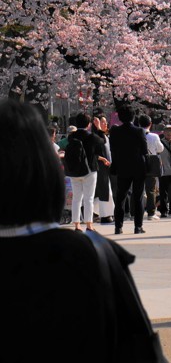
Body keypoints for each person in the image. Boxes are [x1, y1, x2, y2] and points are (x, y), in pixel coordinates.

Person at [0, 99, 161, 355]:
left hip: (84, 177)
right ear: (45, 166)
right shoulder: (94, 256)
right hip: (101, 175)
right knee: (91, 199)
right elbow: (140, 349)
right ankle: (95, 222)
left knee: (86, 200)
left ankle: (91, 221)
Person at [64, 112, 109, 232]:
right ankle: (89, 224)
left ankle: (77, 225)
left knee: (76, 198)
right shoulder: (91, 136)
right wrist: (99, 128)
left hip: (74, 171)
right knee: (88, 198)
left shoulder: (72, 136)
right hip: (89, 170)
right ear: (89, 125)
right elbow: (103, 142)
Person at [108, 104, 148, 236]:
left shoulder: (114, 131)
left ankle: (118, 227)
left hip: (122, 166)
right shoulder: (139, 131)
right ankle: (138, 226)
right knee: (138, 197)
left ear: (119, 117)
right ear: (133, 117)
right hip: (138, 167)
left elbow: (113, 149)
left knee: (120, 197)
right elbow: (144, 150)